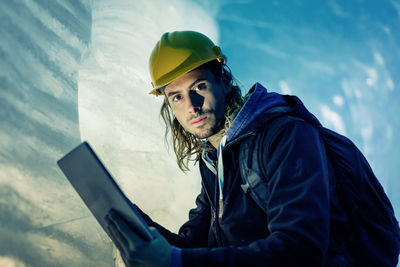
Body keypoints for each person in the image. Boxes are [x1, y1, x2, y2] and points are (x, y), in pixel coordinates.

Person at [105, 31, 400, 266]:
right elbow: (196, 246)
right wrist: (138, 225)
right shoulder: (214, 161)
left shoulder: (286, 135)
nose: (192, 107)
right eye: (177, 97)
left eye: (199, 87)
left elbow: (301, 248)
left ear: (223, 80)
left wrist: (176, 261)